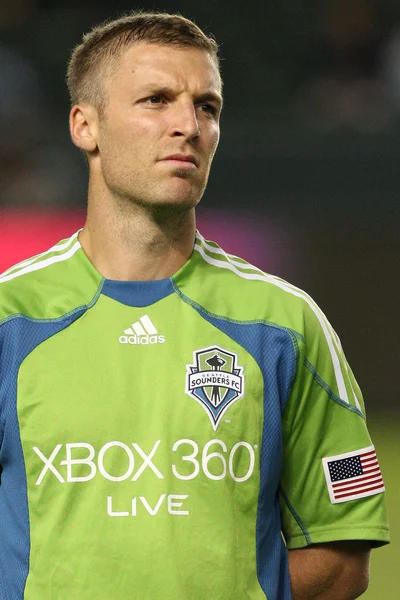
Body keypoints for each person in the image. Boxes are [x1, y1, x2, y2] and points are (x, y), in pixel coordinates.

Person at [0, 11, 389, 600]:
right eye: (156, 99)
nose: (188, 125)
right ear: (85, 125)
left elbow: (342, 554)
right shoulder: (11, 318)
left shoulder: (286, 324)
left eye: (206, 106)